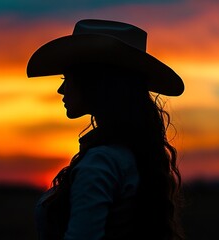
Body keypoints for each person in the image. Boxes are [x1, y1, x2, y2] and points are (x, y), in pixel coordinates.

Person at [27, 19, 184, 240]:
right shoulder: (134, 155)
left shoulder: (101, 161)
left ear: (94, 82)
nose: (61, 89)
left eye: (67, 78)